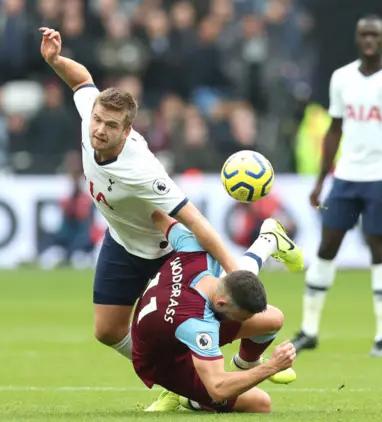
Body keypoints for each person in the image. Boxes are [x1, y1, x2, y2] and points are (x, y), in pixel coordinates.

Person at [39, 26, 305, 365]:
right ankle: (171, 369)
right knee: (107, 331)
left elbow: (194, 220)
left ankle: (266, 243)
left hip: (168, 251)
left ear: (127, 131)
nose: (99, 130)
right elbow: (81, 81)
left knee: (223, 310)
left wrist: (230, 271)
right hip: (123, 242)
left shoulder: (144, 171)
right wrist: (56, 59)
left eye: (110, 126)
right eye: (97, 121)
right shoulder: (93, 114)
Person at [291, 15, 382, 357]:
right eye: (363, 34)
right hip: (347, 176)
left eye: (374, 35)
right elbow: (334, 130)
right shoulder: (342, 78)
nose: (368, 40)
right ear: (356, 38)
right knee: (326, 246)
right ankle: (309, 330)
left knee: (379, 250)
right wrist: (321, 180)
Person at [132, 212, 298, 413]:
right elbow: (219, 388)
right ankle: (188, 398)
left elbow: (158, 215)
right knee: (260, 403)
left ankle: (245, 364)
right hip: (166, 362)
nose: (245, 321)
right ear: (221, 303)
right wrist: (272, 366)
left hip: (170, 326)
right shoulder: (198, 324)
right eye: (241, 317)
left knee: (273, 319)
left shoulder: (195, 252)